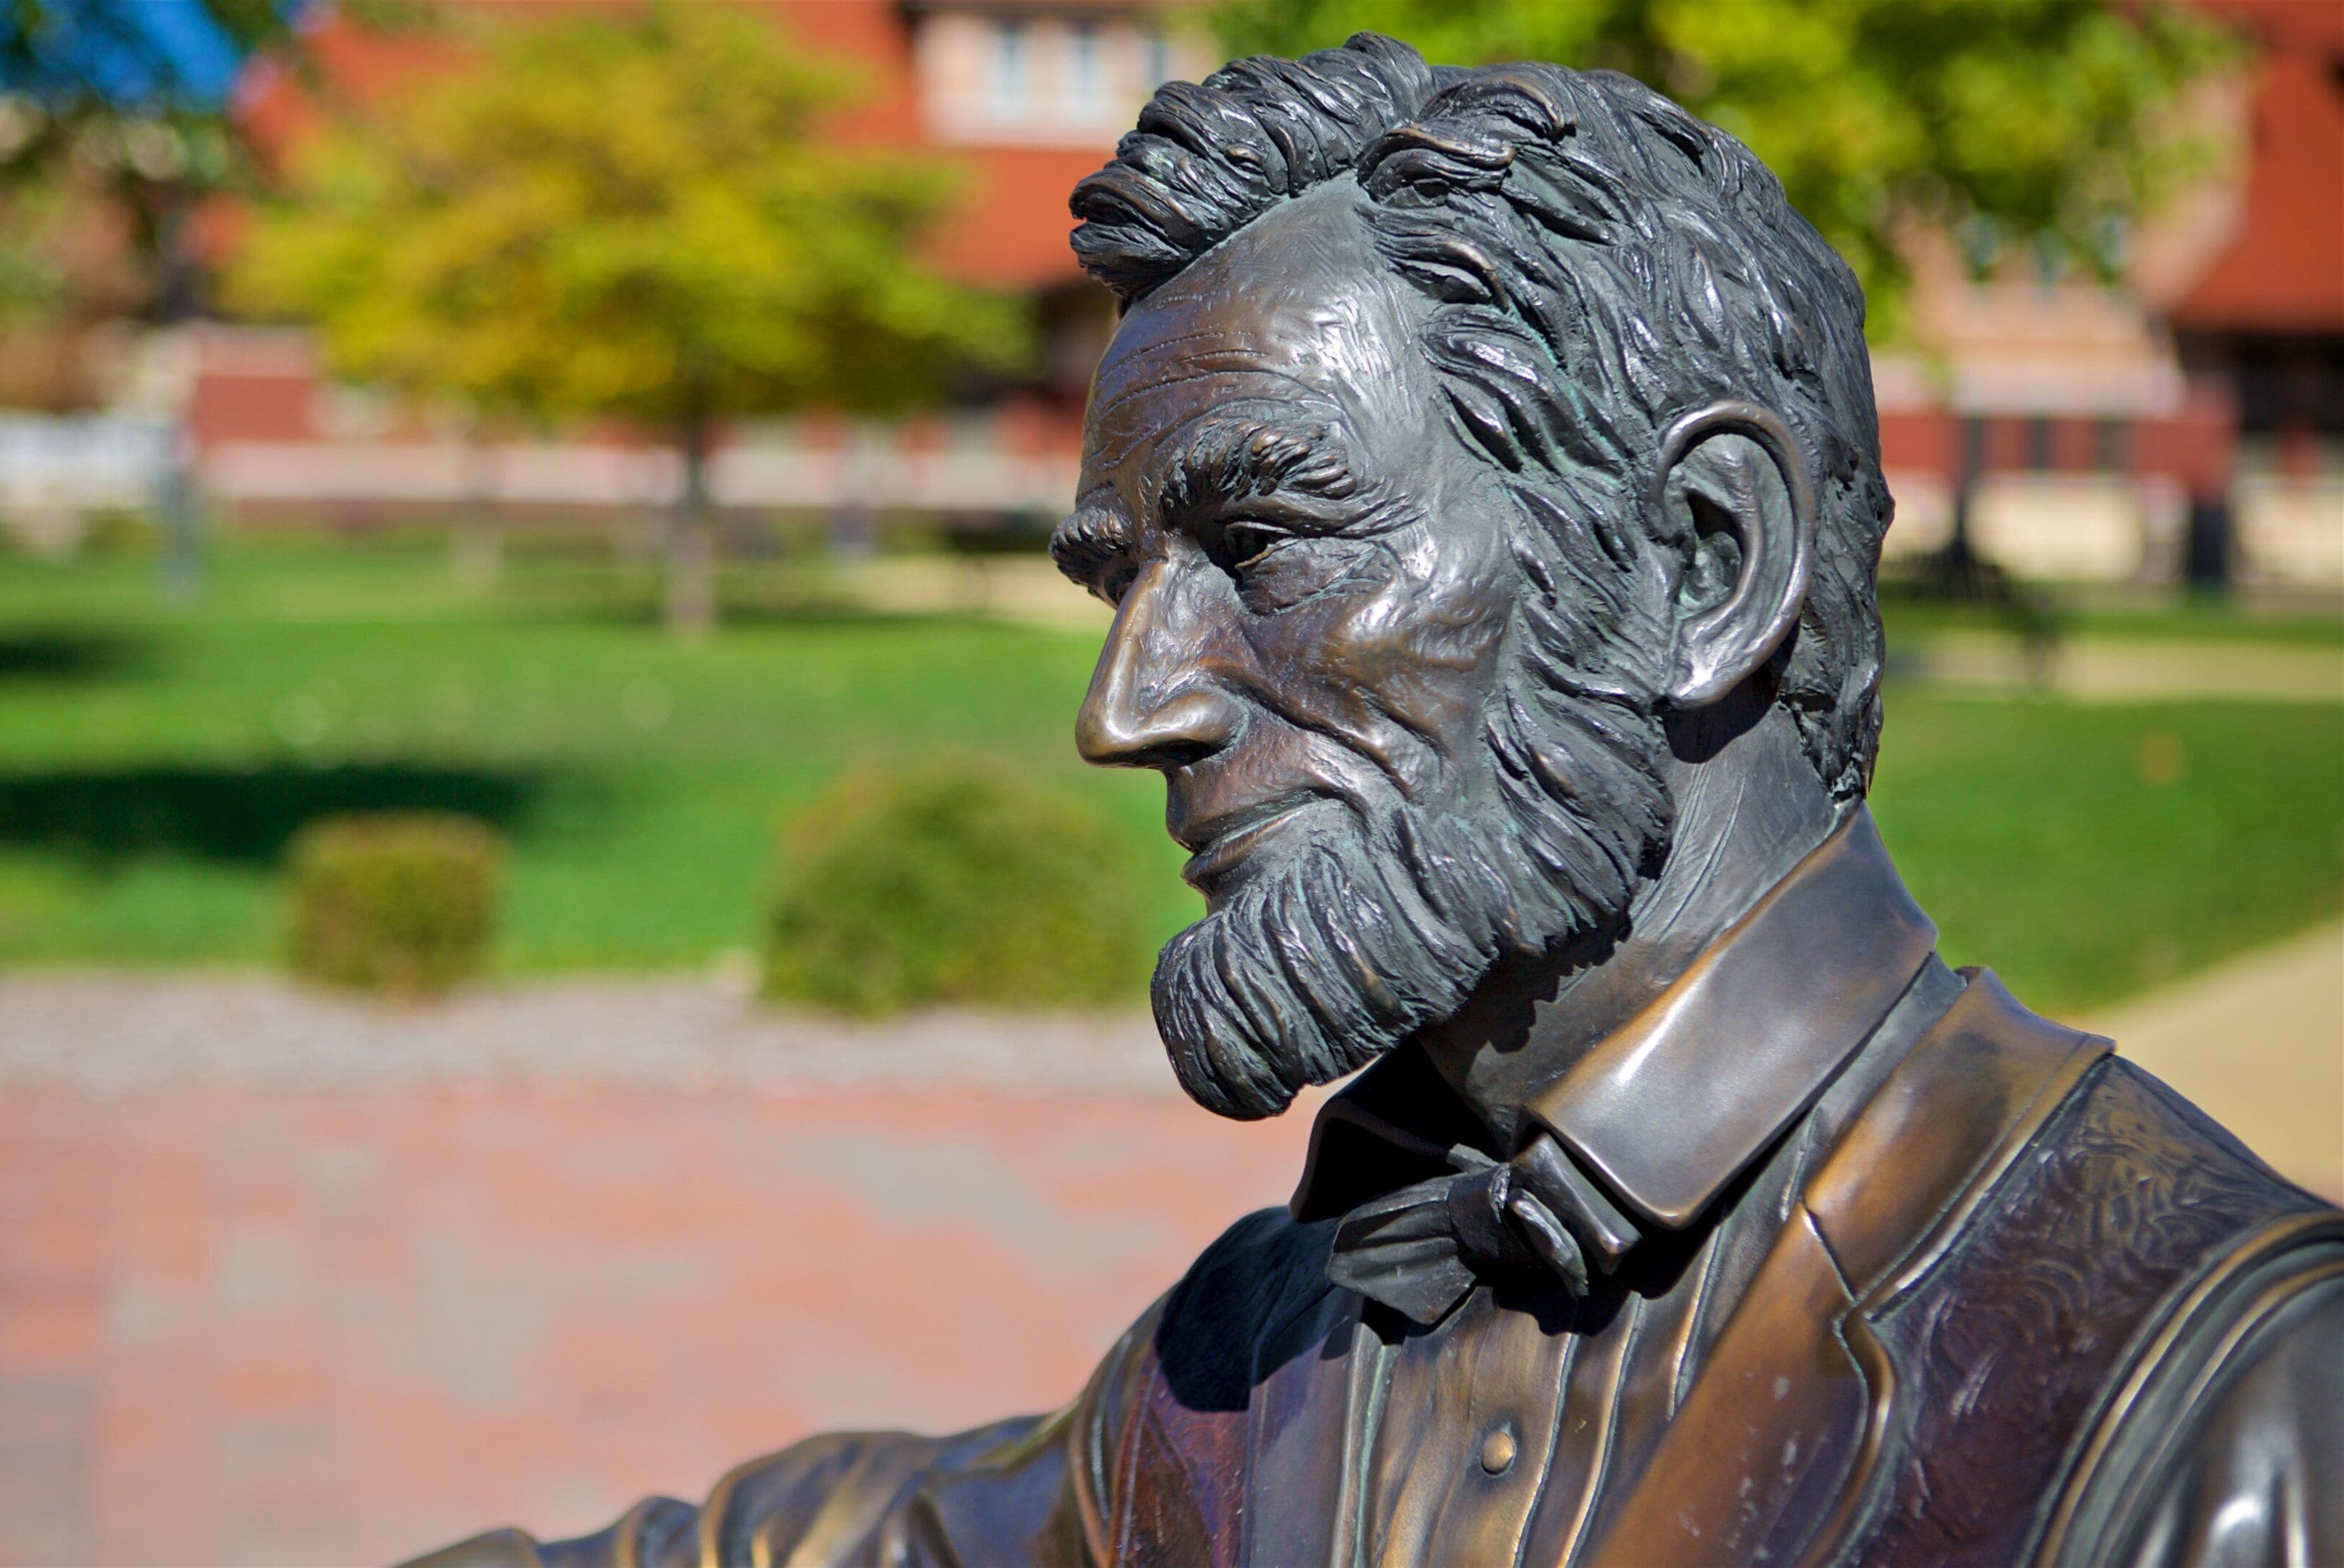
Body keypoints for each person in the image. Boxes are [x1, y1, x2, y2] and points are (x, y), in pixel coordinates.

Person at [415, 36, 2342, 1568]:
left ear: (1700, 564)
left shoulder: (2229, 1417)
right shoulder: (1259, 1358)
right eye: (1119, 587)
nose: (1124, 712)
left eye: (1264, 541)